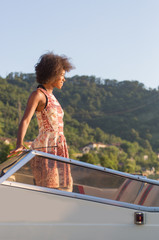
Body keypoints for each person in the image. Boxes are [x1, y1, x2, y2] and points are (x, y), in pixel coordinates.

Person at [9, 52, 74, 191]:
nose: (64, 79)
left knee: (66, 188)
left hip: (59, 147)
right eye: (62, 75)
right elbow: (25, 120)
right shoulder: (38, 94)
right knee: (49, 190)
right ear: (53, 74)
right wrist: (19, 144)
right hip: (46, 148)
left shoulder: (52, 97)